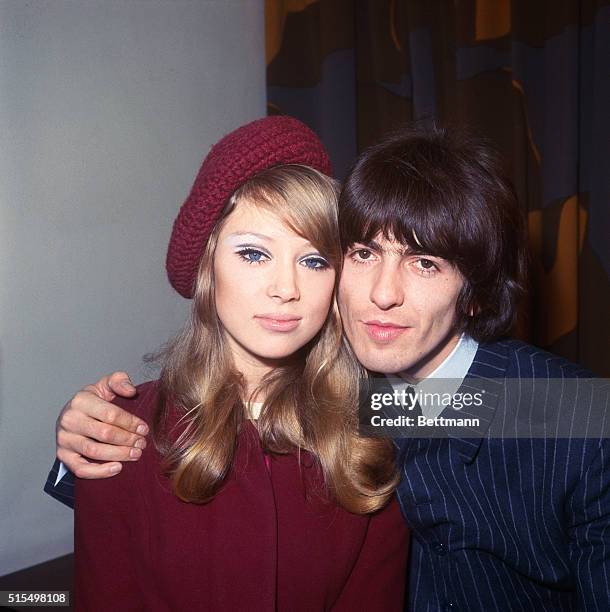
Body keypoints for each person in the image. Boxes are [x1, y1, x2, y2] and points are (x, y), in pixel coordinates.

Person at [47, 123, 610, 611]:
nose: (382, 294)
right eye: (362, 254)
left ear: (475, 295)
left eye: (426, 263)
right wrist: (85, 435)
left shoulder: (561, 415)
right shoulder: (357, 394)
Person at [60, 116, 409, 611]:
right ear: (208, 267)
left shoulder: (378, 423)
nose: (286, 288)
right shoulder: (120, 428)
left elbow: (545, 410)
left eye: (313, 261)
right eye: (253, 254)